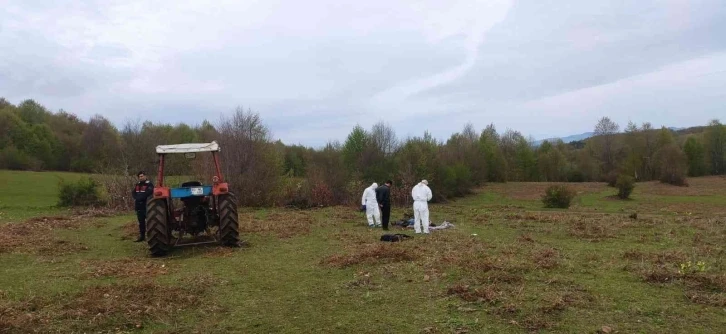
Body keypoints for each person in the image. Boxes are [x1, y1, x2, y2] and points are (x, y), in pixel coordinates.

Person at [131, 171, 154, 242]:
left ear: (145, 176)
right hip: (138, 206)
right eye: (139, 177)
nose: (141, 178)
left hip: (147, 206)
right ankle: (142, 236)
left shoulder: (149, 184)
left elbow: (148, 193)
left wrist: (140, 198)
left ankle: (151, 236)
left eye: (142, 176)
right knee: (141, 222)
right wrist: (136, 198)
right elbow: (133, 192)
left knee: (150, 222)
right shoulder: (137, 184)